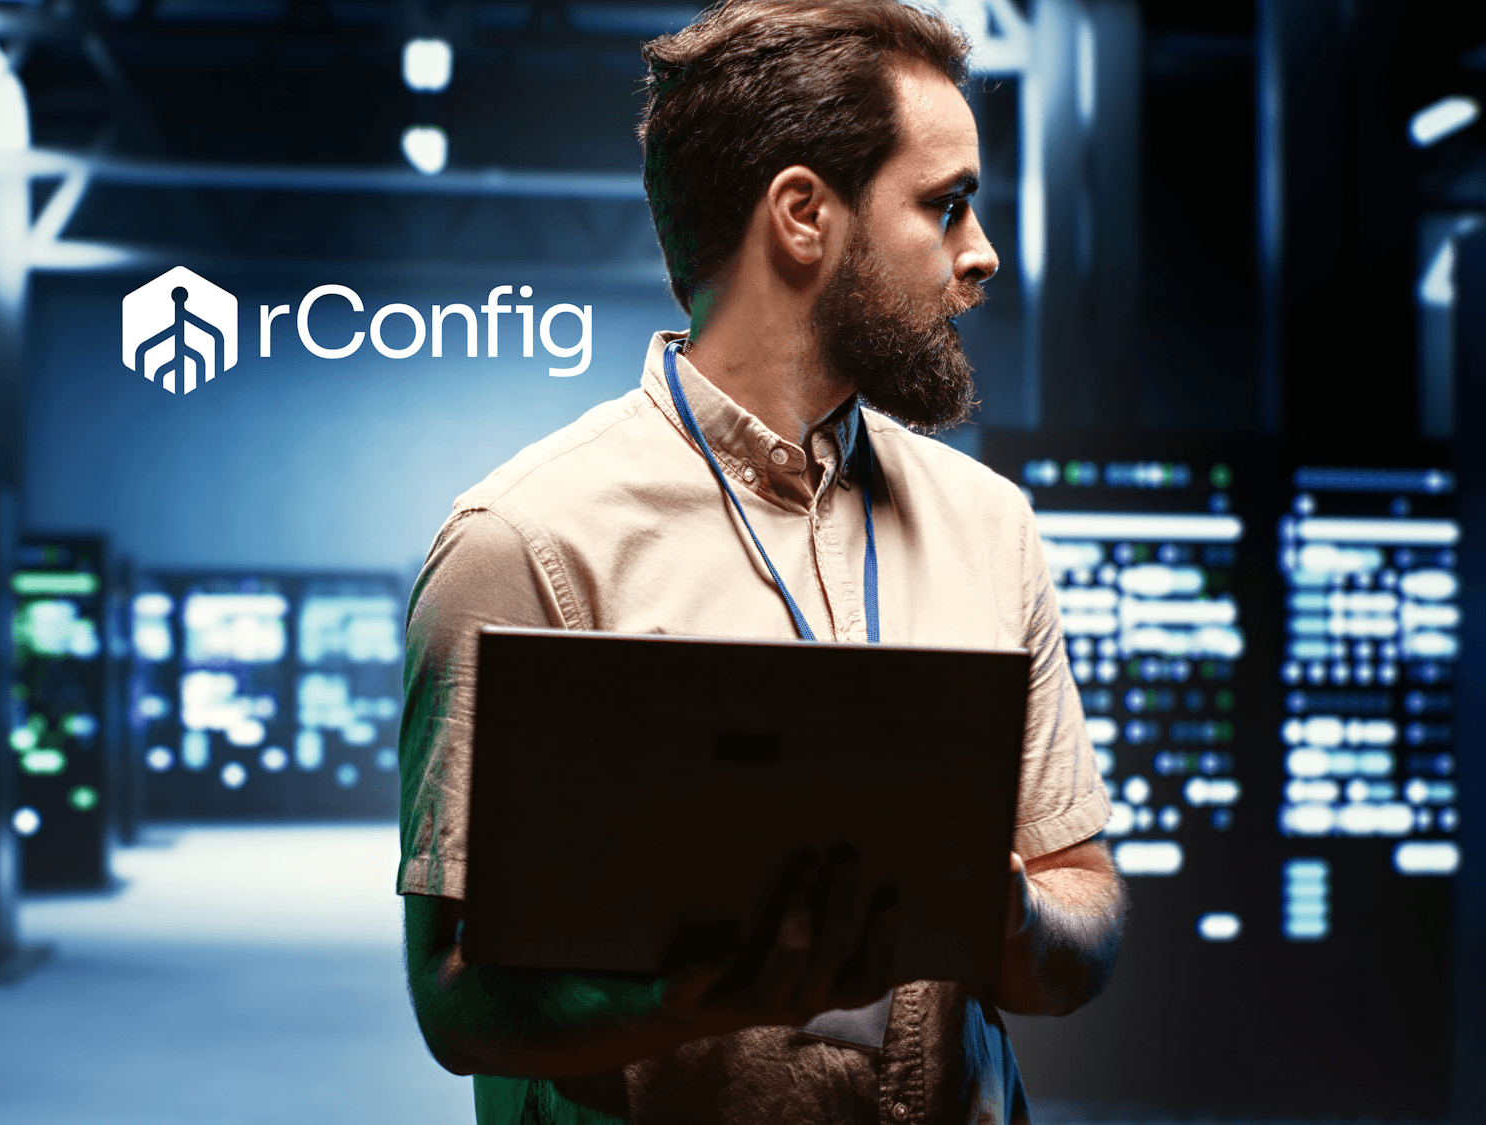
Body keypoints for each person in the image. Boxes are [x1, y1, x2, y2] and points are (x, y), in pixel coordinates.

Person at [396, 1, 1125, 1121]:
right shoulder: (524, 544)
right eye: (945, 204)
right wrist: (675, 1000)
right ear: (801, 215)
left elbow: (1082, 910)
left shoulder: (989, 526)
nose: (978, 253)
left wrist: (1009, 915)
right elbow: (454, 1007)